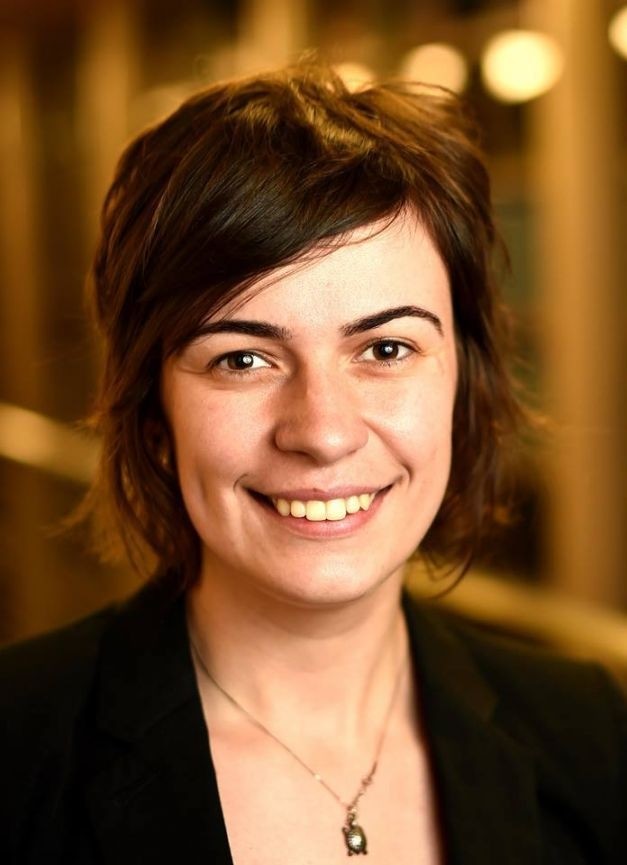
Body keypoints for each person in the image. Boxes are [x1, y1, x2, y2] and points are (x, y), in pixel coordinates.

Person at [1, 61, 626, 865]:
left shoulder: (592, 737)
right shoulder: (18, 753)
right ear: (153, 412)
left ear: (462, 384)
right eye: (242, 359)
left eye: (385, 348)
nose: (323, 432)